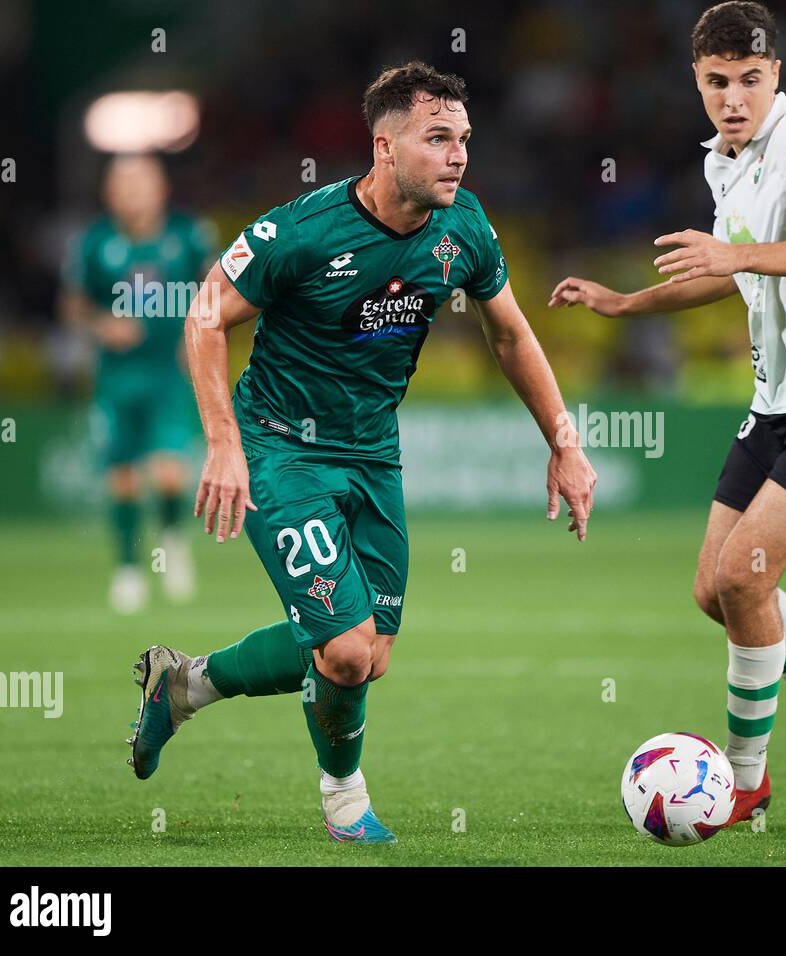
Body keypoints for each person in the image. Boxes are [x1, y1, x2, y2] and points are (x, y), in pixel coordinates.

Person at [128, 62, 597, 844]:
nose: (458, 156)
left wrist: (565, 441)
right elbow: (205, 315)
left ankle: (180, 686)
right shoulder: (302, 232)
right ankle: (346, 802)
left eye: (465, 140)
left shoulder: (465, 229)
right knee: (343, 653)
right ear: (384, 147)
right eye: (437, 138)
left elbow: (509, 331)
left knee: (369, 653)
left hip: (373, 454)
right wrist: (223, 443)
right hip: (280, 450)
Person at [549, 2, 786, 822]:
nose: (734, 97)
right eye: (717, 82)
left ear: (775, 75)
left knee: (747, 575)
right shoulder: (724, 159)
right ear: (698, 81)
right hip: (782, 396)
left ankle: (745, 783)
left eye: (750, 79)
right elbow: (727, 271)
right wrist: (625, 303)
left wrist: (736, 252)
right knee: (716, 591)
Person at [62, 154, 208, 613]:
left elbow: (215, 291)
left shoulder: (188, 235)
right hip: (117, 377)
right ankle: (127, 569)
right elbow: (75, 306)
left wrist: (200, 334)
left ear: (161, 187)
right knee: (123, 477)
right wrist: (103, 326)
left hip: (169, 371)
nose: (132, 190)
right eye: (122, 183)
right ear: (108, 192)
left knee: (168, 470)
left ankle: (171, 540)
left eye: (141, 181)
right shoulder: (94, 243)